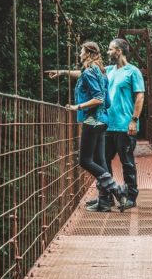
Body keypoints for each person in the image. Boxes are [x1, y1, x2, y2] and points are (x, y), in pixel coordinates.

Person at [50, 41, 129, 212]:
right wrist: (63, 72)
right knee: (100, 161)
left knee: (85, 161)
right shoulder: (100, 71)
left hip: (92, 121)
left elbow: (99, 98)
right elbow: (103, 98)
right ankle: (104, 202)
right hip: (102, 121)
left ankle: (117, 189)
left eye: (81, 51)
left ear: (88, 53)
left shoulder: (90, 72)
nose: (79, 54)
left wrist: (75, 107)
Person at [89, 37, 145, 210]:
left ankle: (131, 197)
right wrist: (63, 73)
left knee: (127, 163)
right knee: (102, 163)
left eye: (110, 49)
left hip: (124, 126)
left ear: (119, 51)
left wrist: (134, 120)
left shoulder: (133, 71)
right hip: (107, 125)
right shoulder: (108, 70)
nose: (108, 52)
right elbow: (86, 75)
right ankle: (107, 197)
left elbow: (140, 96)